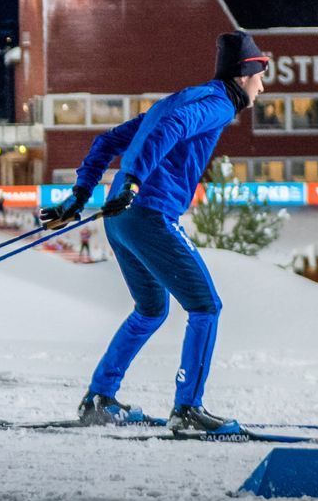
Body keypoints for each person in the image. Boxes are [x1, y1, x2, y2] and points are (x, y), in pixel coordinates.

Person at [42, 31, 271, 435]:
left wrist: (79, 196)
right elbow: (175, 128)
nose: (262, 87)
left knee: (151, 309)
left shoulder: (179, 98)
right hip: (149, 214)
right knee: (206, 306)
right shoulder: (218, 104)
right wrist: (133, 180)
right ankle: (188, 409)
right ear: (243, 76)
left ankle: (100, 398)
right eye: (260, 77)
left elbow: (108, 141)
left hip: (120, 219)